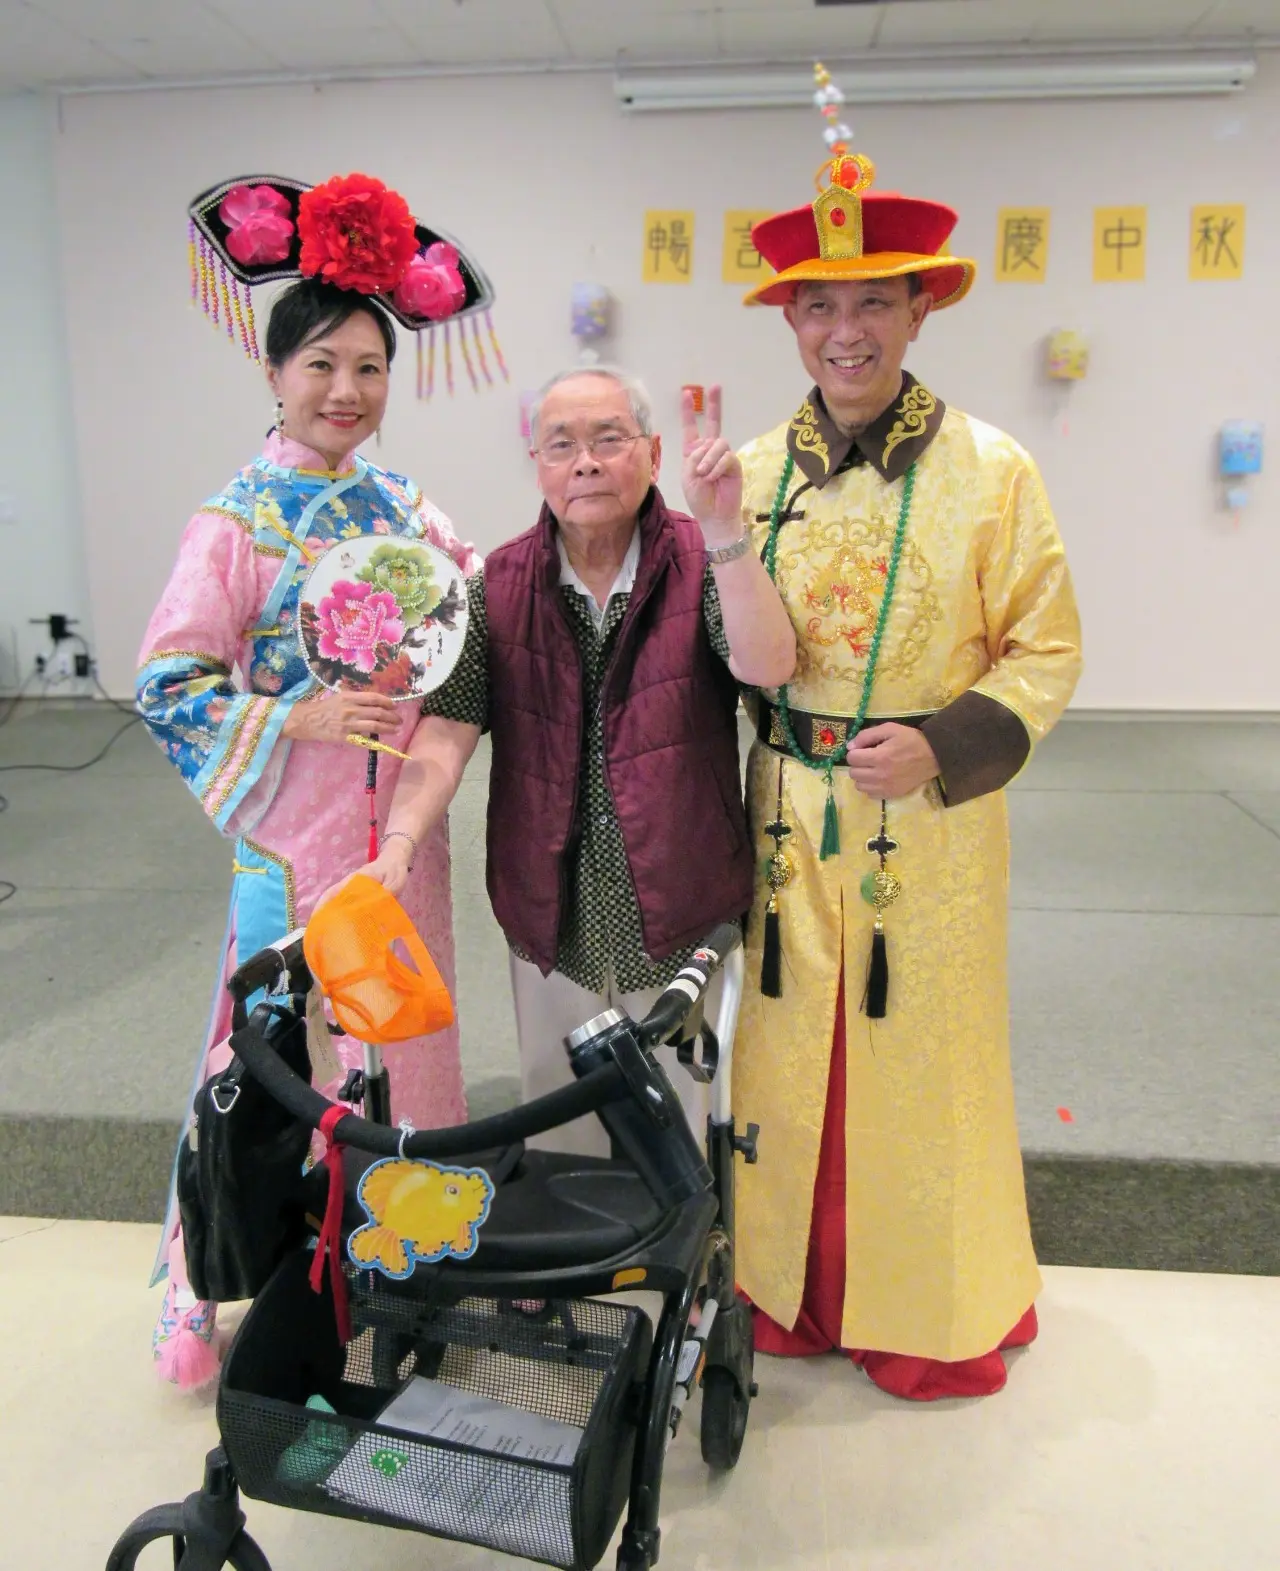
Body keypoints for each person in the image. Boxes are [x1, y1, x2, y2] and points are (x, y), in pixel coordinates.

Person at [726, 84, 1083, 1399]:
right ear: (792, 319)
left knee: (918, 1051)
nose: (845, 328)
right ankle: (787, 1286)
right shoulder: (755, 474)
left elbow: (1046, 645)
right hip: (781, 805)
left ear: (919, 309)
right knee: (782, 1040)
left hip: (925, 819)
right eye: (819, 303)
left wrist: (944, 743)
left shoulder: (994, 471)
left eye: (873, 300)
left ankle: (929, 1306)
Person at [137, 170, 493, 1386]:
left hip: (402, 828)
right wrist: (296, 711)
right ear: (275, 375)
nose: (345, 391)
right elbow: (170, 681)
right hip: (292, 836)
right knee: (278, 1056)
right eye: (321, 365)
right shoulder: (231, 521)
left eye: (368, 368)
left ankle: (407, 1269)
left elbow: (469, 627)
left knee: (411, 1042)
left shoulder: (407, 507)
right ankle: (238, 1284)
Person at [360, 366, 796, 1153]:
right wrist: (400, 843)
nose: (585, 462)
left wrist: (729, 528)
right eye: (562, 445)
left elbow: (767, 665)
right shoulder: (496, 582)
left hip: (681, 903)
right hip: (548, 911)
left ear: (654, 453)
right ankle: (570, 1276)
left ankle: (676, 1278)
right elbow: (448, 727)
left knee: (682, 1130)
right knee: (558, 1120)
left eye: (608, 440)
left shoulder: (705, 561)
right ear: (538, 464)